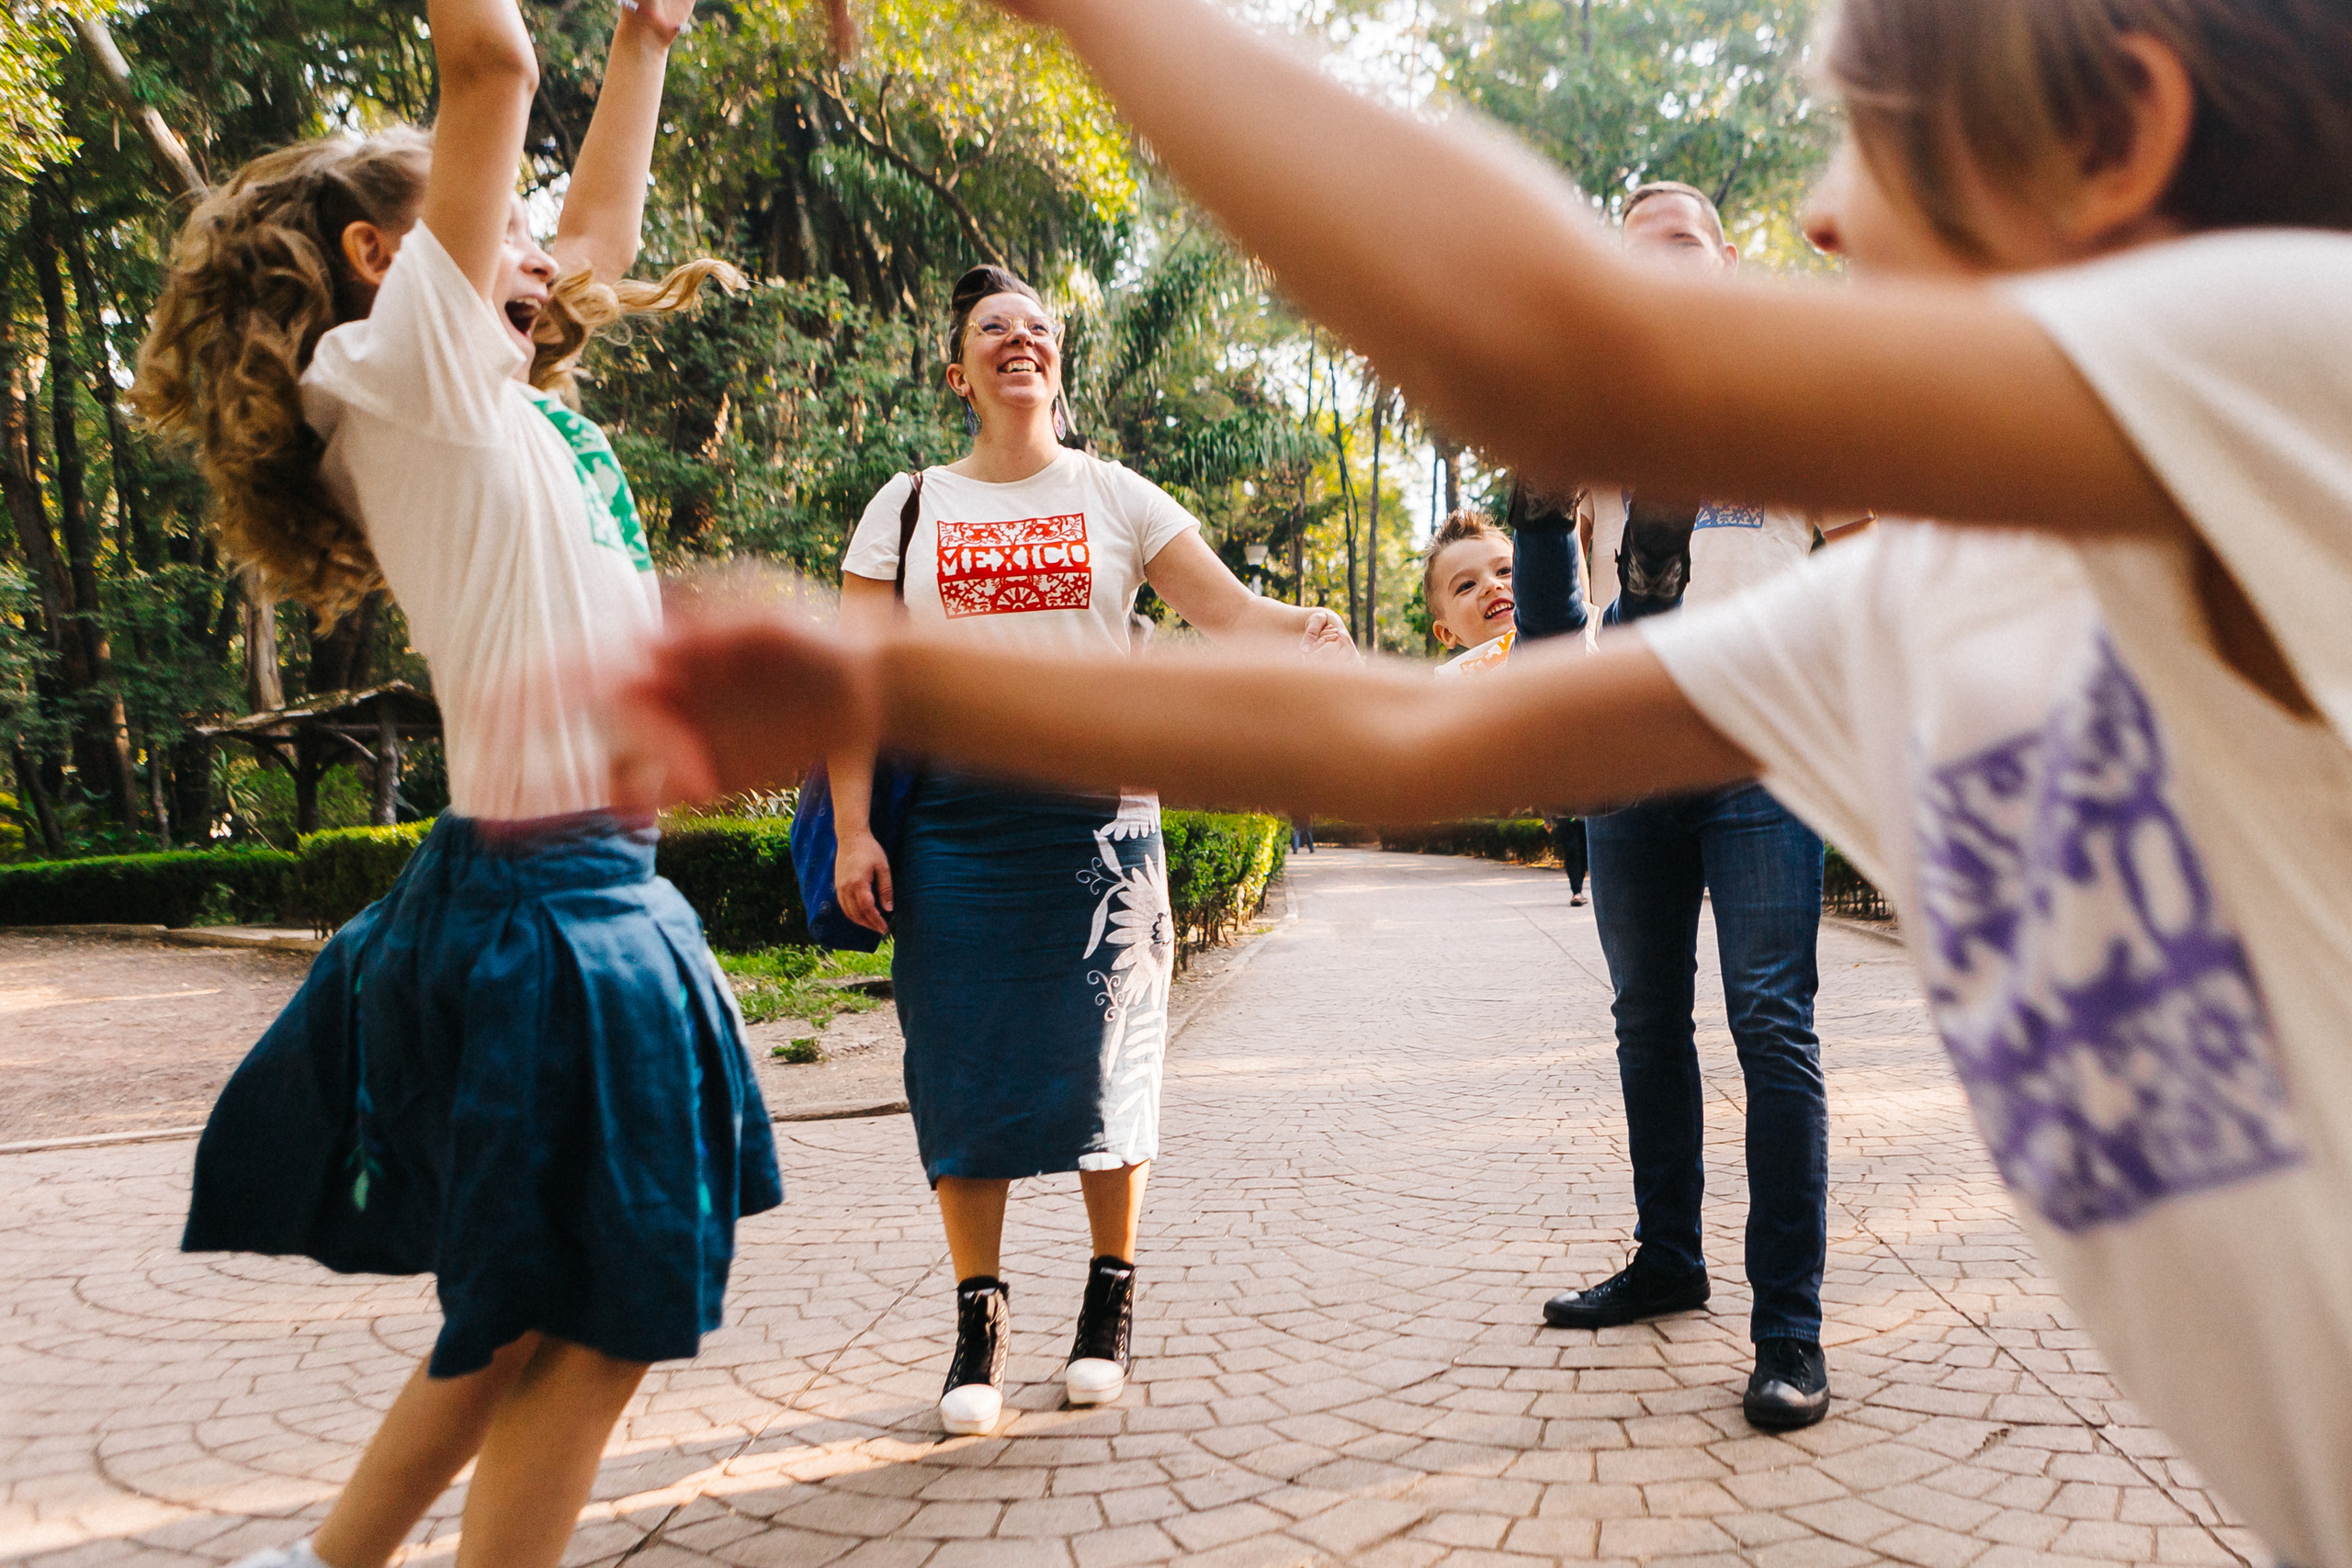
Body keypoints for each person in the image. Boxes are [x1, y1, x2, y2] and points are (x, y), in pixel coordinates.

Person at [609, 0, 2352, 1560]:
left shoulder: (2304, 356)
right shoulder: (1920, 609)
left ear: (2115, 129)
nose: (1819, 214)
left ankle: (1788, 1315)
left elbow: (1557, 350)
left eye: (1871, 126)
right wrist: (881, 676)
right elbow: (1403, 735)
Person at [133, 0, 778, 1561]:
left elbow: (599, 232)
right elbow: (490, 56)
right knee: (603, 1317)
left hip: (584, 889)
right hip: (550, 908)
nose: (540, 248)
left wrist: (648, 40)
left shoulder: (489, 394)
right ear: (384, 259)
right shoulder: (402, 370)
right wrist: (535, 62)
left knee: (515, 1319)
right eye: (497, 221)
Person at [827, 263, 1352, 1438]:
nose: (1019, 340)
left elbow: (1230, 616)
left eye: (1038, 328)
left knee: (1109, 1061)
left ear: (1057, 364)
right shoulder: (906, 504)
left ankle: (1110, 1299)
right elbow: (856, 687)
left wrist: (1307, 627)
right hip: (955, 826)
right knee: (959, 1064)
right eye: (990, 330)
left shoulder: (1116, 493)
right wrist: (856, 827)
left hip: (1100, 821)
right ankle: (981, 1321)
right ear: (957, 371)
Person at [1521, 181, 1871, 1430]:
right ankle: (1669, 1258)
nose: (1660, 258)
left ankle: (1792, 1329)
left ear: (1727, 261)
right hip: (1632, 746)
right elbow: (1557, 609)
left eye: (1682, 239)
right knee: (1642, 1021)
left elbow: (1870, 543)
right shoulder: (1595, 419)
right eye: (1638, 247)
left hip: (1762, 744)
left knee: (1771, 1019)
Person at [1426, 498, 1593, 901]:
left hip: (1582, 675)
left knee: (1556, 619)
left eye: (1506, 570)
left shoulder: (1557, 618)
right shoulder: (1454, 684)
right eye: (1466, 585)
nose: (1492, 585)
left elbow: (1572, 595)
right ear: (1446, 633)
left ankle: (1550, 508)